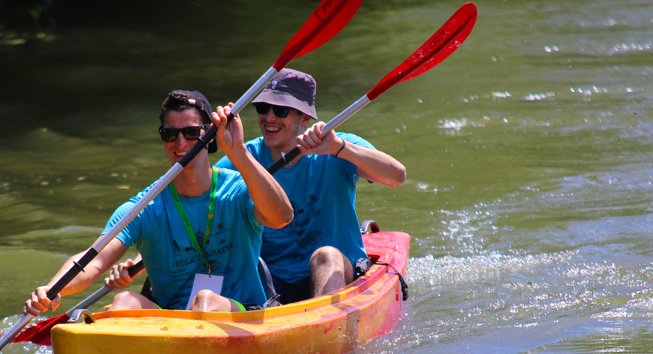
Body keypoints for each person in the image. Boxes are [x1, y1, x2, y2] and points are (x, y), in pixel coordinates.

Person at [25, 90, 293, 316]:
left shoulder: (237, 188)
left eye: (190, 133)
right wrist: (53, 289)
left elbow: (282, 217)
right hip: (173, 322)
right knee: (122, 302)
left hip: (243, 312)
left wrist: (238, 152)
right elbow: (92, 261)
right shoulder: (144, 206)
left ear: (209, 136)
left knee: (205, 301)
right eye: (169, 134)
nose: (180, 143)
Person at [215, 68, 406, 304]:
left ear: (304, 119)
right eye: (263, 109)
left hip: (337, 271)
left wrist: (339, 148)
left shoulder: (335, 144)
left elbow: (397, 176)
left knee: (324, 256)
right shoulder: (241, 156)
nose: (269, 118)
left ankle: (328, 329)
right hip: (271, 280)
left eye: (281, 110)